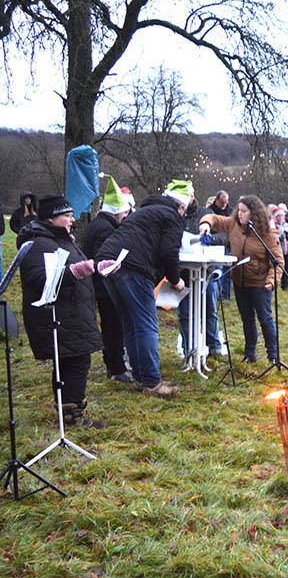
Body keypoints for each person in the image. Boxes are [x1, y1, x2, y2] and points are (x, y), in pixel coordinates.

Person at [94, 180, 191, 398]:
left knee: (130, 323)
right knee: (146, 325)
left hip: (108, 263)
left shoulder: (144, 213)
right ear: (181, 207)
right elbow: (168, 251)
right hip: (132, 267)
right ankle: (152, 382)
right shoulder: (172, 216)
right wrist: (176, 280)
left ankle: (141, 377)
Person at [17, 196, 105, 427]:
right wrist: (74, 272)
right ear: (51, 218)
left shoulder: (62, 239)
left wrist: (96, 268)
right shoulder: (39, 243)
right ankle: (71, 415)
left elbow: (75, 267)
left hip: (73, 312)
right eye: (67, 216)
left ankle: (68, 411)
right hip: (58, 316)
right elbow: (39, 279)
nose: (72, 219)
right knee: (76, 361)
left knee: (73, 361)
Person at [198, 195, 284, 365]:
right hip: (239, 281)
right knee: (247, 318)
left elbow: (278, 261)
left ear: (254, 213)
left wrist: (272, 280)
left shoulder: (267, 233)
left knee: (265, 318)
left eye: (245, 212)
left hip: (260, 284)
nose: (240, 214)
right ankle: (249, 353)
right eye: (240, 211)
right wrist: (206, 224)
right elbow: (214, 218)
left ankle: (273, 355)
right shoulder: (234, 224)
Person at [84, 182, 134, 382]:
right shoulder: (105, 229)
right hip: (105, 287)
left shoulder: (99, 224)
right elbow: (102, 258)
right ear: (116, 212)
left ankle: (114, 365)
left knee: (111, 326)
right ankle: (116, 368)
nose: (124, 217)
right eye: (123, 213)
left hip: (101, 286)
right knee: (113, 327)